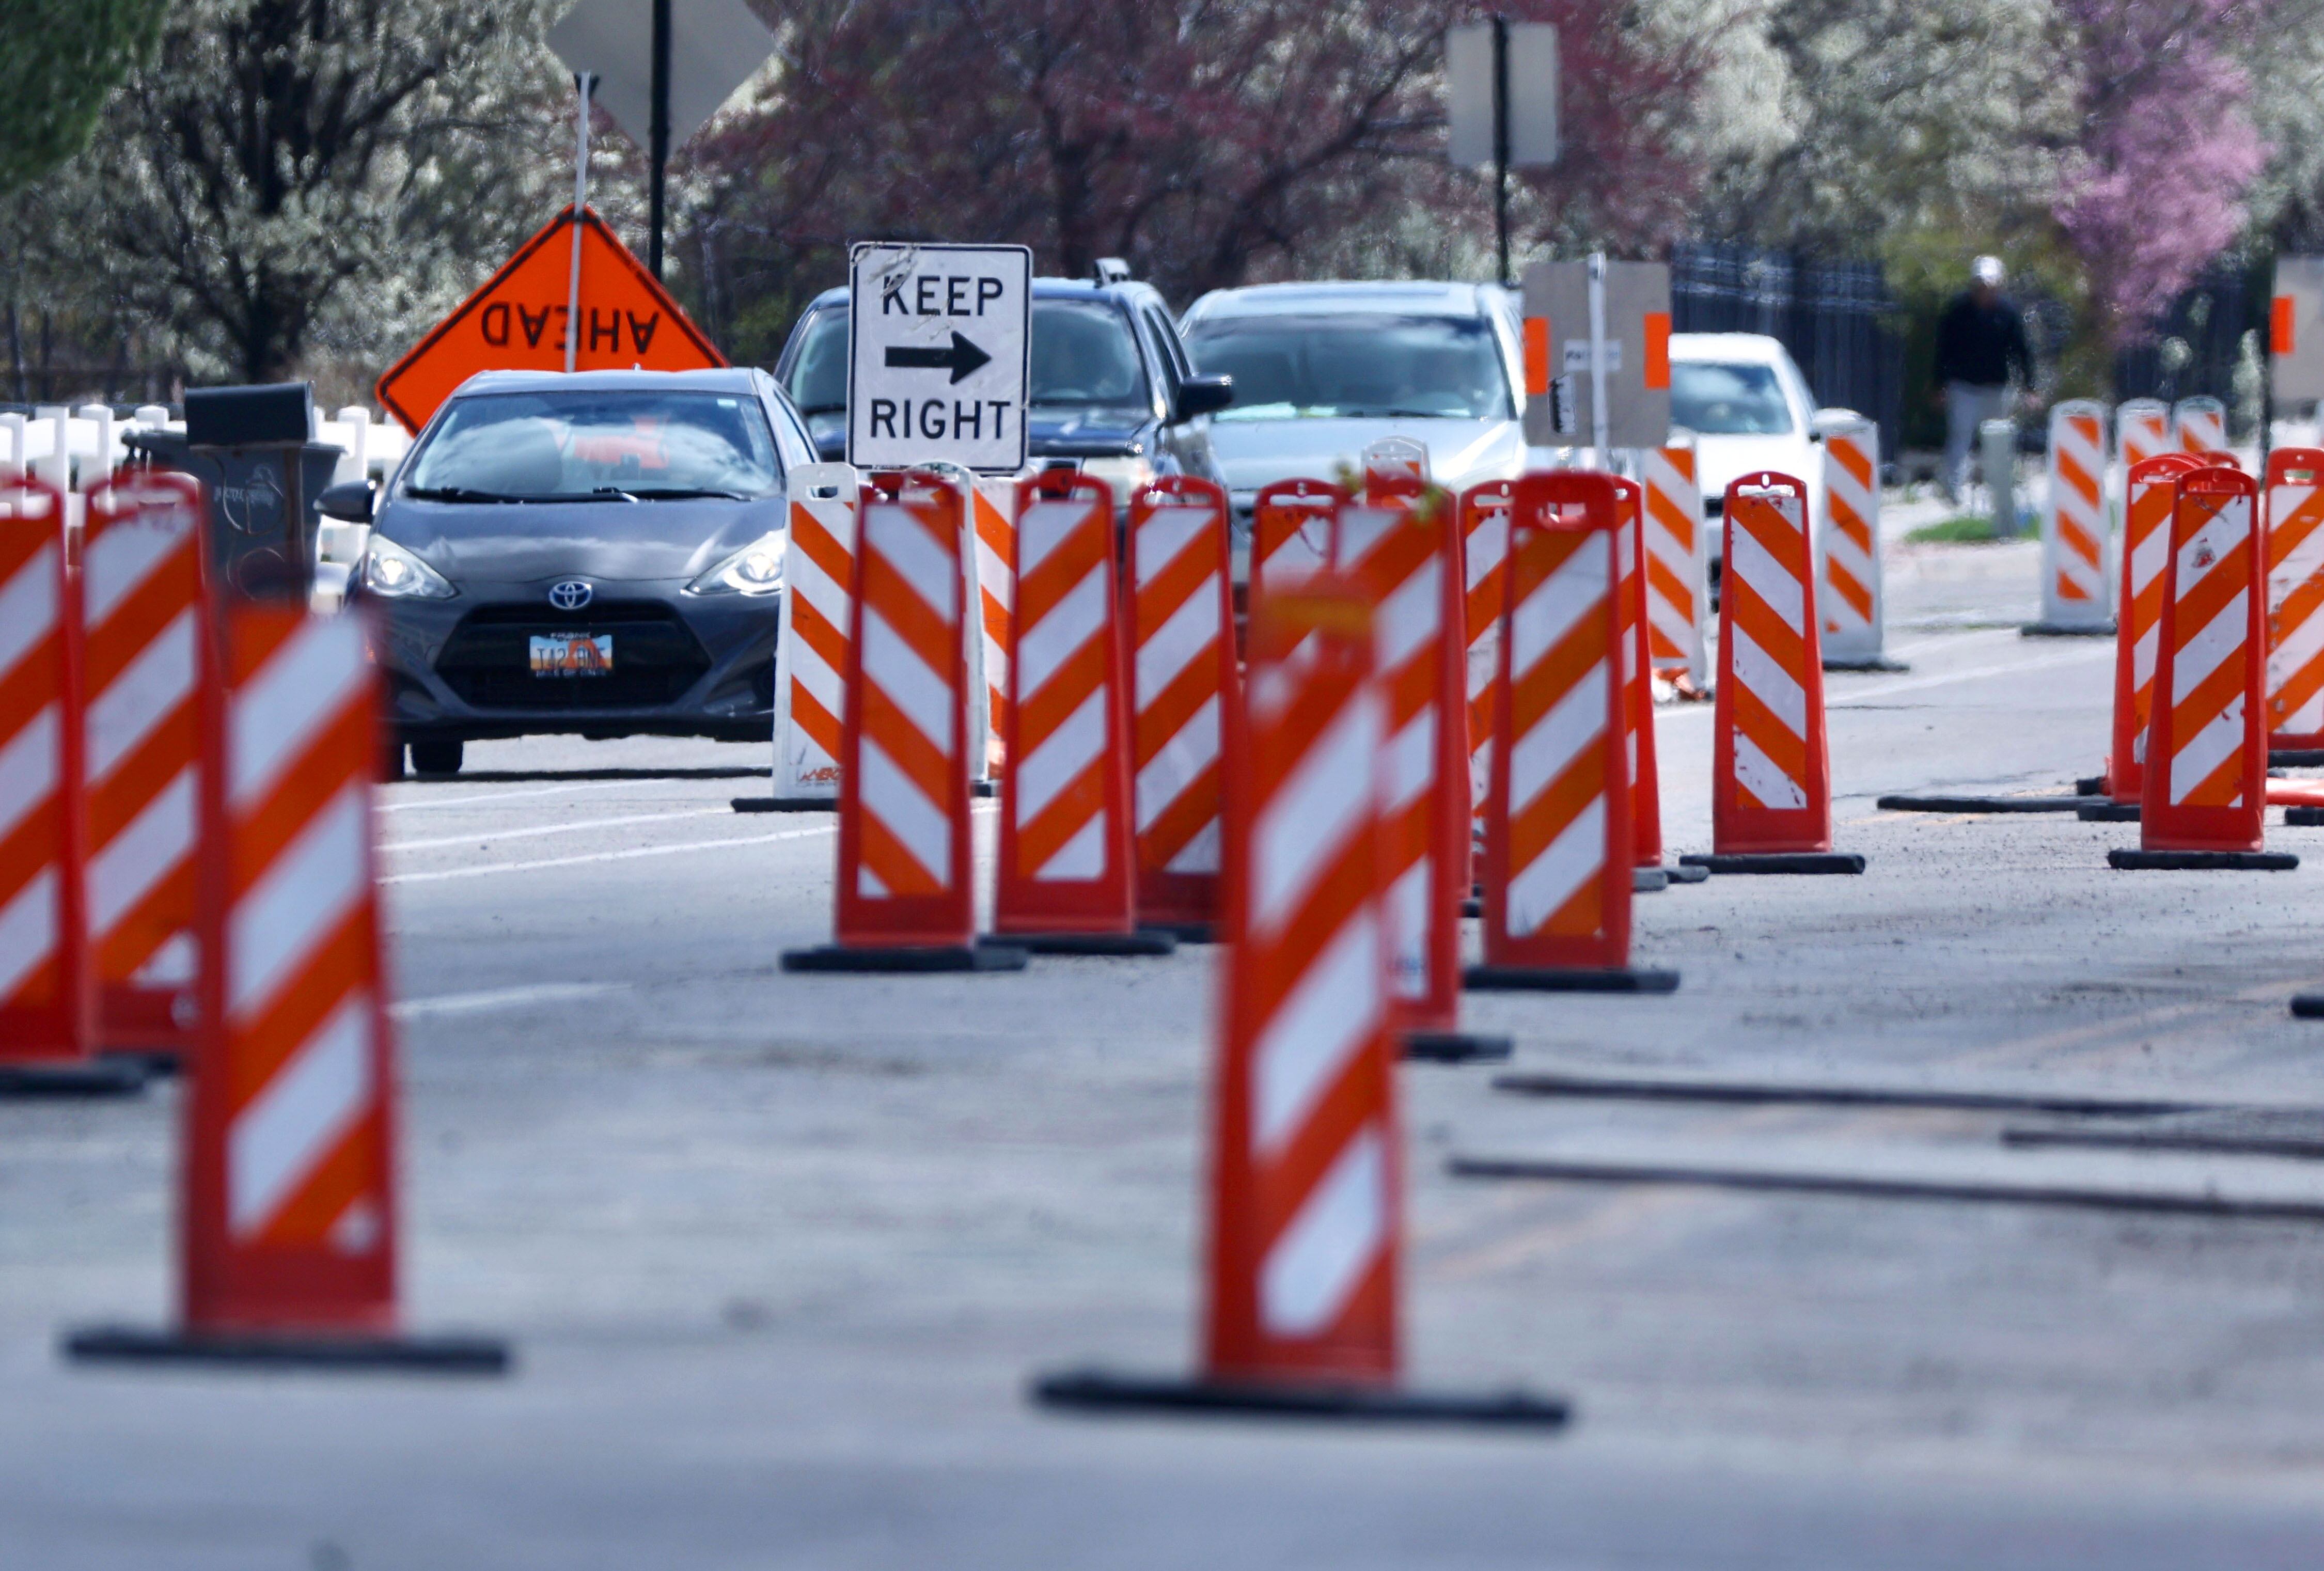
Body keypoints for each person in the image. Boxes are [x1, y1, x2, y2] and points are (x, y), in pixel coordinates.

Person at [1933, 256, 2034, 504]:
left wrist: (2029, 387)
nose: (1984, 292)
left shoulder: (2007, 313)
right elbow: (1944, 350)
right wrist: (1939, 385)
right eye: (1980, 286)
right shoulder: (1958, 311)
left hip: (1995, 388)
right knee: (1960, 437)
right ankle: (1954, 491)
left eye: (1989, 286)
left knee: (1998, 441)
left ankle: (2000, 493)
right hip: (1963, 386)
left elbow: (2021, 351)